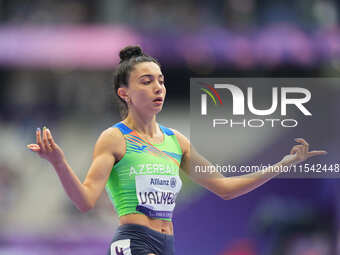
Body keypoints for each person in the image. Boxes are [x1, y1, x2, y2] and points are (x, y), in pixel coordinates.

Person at [27, 46, 327, 255]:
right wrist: (58, 162)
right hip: (134, 242)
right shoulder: (114, 138)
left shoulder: (177, 142)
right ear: (125, 93)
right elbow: (84, 201)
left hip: (167, 244)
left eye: (161, 80)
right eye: (147, 81)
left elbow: (225, 188)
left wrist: (282, 164)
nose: (158, 87)